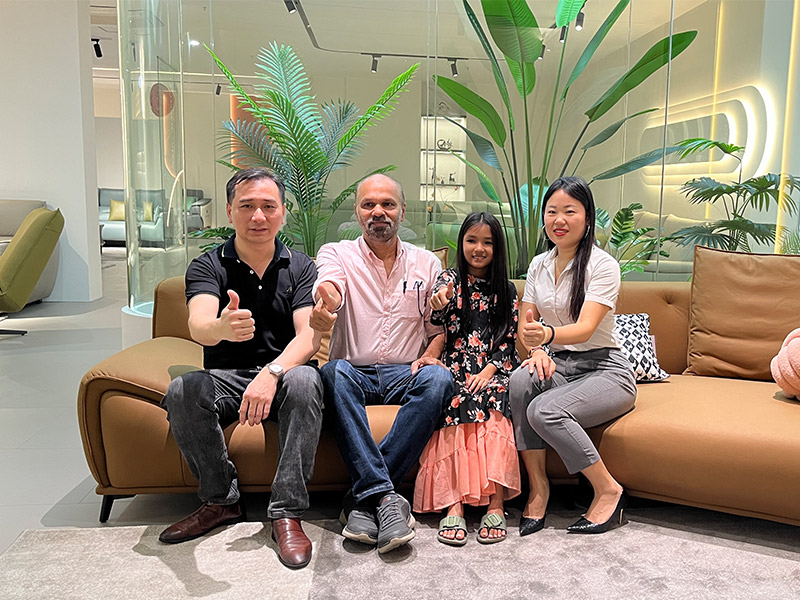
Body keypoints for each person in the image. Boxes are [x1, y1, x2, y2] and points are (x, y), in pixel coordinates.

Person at [159, 168, 324, 569]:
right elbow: (199, 325)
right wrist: (220, 328)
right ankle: (221, 500)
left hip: (283, 375)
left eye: (268, 206)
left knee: (306, 379)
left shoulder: (302, 266)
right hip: (227, 377)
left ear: (283, 212)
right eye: (247, 206)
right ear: (230, 211)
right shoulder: (207, 265)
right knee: (183, 390)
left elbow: (308, 338)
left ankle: (286, 512)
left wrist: (271, 373)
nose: (258, 217)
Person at [310, 173, 453, 554]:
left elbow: (436, 328)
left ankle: (363, 499)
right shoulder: (337, 253)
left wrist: (432, 353)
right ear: (357, 212)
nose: (378, 212)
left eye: (388, 204)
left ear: (402, 211)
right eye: (369, 204)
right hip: (353, 372)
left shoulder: (426, 264)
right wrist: (326, 301)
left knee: (439, 380)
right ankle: (387, 499)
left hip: (405, 372)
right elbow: (330, 285)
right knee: (332, 372)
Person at [508, 176, 637, 536]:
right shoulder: (538, 265)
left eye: (569, 211)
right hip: (561, 364)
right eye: (552, 212)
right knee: (520, 381)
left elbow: (585, 329)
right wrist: (536, 350)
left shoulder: (603, 265)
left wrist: (546, 336)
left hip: (606, 370)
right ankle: (539, 489)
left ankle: (608, 489)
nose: (559, 220)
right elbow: (526, 324)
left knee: (544, 410)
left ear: (587, 217)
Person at [414, 212, 521, 546]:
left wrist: (488, 372)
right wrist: (440, 301)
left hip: (494, 368)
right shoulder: (450, 279)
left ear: (497, 248)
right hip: (456, 364)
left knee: (497, 397)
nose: (479, 249)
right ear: (461, 243)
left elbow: (508, 342)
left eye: (487, 242)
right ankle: (454, 503)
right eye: (472, 240)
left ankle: (496, 503)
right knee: (456, 396)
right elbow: (438, 312)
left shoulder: (507, 290)